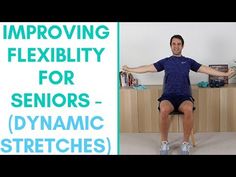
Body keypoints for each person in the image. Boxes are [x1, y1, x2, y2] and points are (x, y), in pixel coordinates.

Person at [122, 34, 235, 155]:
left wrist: (225, 75)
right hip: (168, 97)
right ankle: (164, 143)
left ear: (182, 46)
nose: (176, 46)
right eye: (174, 44)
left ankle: (185, 144)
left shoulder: (188, 61)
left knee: (188, 108)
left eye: (178, 44)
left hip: (184, 97)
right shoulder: (165, 62)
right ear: (170, 46)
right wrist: (130, 69)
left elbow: (206, 69)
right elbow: (147, 68)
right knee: (164, 109)